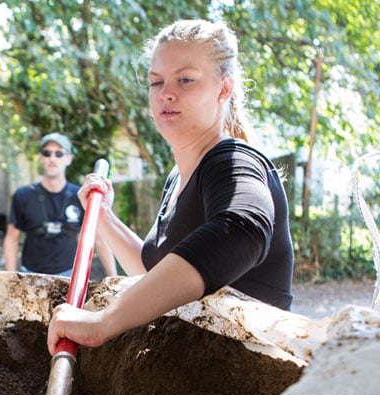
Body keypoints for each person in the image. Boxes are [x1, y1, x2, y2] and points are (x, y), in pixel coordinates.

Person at [47, 19, 293, 355]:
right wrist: (104, 217)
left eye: (186, 79)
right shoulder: (177, 178)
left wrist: (104, 322)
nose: (166, 93)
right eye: (155, 82)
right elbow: (157, 277)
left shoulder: (234, 162)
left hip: (249, 374)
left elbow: (242, 230)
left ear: (224, 89)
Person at [3, 133, 117, 277]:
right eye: (47, 153)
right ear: (40, 157)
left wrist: (114, 279)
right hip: (30, 277)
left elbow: (99, 239)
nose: (52, 158)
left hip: (68, 277)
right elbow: (12, 239)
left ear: (68, 159)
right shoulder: (23, 195)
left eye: (59, 154)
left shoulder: (81, 195)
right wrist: (10, 281)